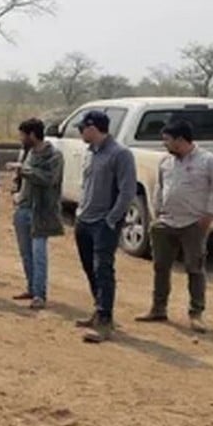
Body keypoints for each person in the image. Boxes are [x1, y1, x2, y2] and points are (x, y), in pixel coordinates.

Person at [135, 119, 213, 333]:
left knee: (194, 268)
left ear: (180, 139)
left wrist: (208, 216)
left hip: (193, 223)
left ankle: (196, 313)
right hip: (166, 222)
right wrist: (157, 213)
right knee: (160, 267)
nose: (164, 144)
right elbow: (160, 188)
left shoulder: (208, 161)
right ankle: (158, 309)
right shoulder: (166, 162)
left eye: (167, 140)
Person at [72, 110, 137, 343]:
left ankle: (105, 321)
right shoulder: (90, 152)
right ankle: (98, 310)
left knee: (103, 270)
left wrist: (111, 220)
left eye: (82, 129)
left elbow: (127, 191)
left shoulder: (120, 154)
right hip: (84, 220)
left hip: (103, 223)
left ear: (93, 128)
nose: (80, 133)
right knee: (90, 268)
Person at [8, 118, 65, 309]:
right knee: (26, 253)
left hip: (42, 211)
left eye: (22, 135)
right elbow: (19, 180)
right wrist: (15, 193)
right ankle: (31, 288)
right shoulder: (26, 153)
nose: (21, 139)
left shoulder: (54, 156)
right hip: (23, 208)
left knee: (39, 254)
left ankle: (40, 294)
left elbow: (50, 179)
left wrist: (24, 170)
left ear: (32, 135)